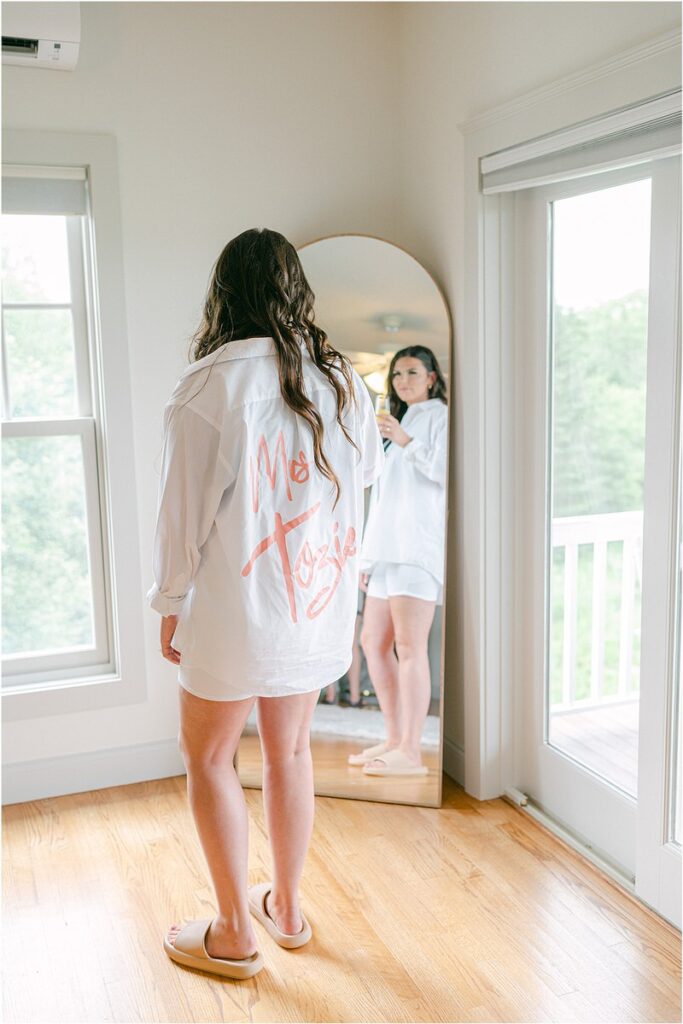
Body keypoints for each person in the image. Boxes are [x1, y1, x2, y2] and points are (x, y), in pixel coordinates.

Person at [146, 228, 385, 979]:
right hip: (314, 601)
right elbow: (362, 488)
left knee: (210, 755)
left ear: (224, 293)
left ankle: (232, 932)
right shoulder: (343, 379)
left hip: (232, 608)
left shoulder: (210, 384)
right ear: (295, 291)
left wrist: (169, 601)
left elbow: (180, 516)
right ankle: (284, 907)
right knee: (287, 753)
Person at [352, 346, 448, 777]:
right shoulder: (398, 425)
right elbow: (383, 499)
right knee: (373, 642)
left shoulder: (442, 416)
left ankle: (412, 752)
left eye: (412, 372)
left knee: (410, 647)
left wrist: (406, 441)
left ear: (431, 377)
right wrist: (365, 559)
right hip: (387, 551)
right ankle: (393, 738)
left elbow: (446, 472)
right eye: (396, 374)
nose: (402, 380)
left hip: (416, 549)